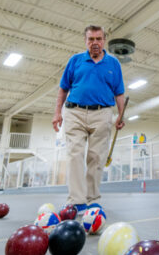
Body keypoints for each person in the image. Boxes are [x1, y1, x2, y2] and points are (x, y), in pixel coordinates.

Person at [53, 25, 127, 211]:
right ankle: (76, 201)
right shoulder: (75, 60)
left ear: (104, 41)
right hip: (75, 112)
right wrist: (57, 113)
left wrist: (120, 115)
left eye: (98, 39)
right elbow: (63, 88)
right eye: (91, 39)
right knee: (75, 154)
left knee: (96, 157)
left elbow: (119, 92)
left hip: (102, 114)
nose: (95, 43)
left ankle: (92, 198)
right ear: (85, 41)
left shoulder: (113, 64)